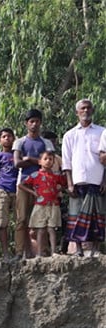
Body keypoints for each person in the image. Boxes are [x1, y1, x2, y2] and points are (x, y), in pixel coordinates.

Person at [61, 98, 106, 256]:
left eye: (88, 108)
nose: (86, 111)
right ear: (76, 112)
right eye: (83, 108)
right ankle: (78, 250)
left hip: (97, 180)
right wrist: (69, 184)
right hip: (78, 180)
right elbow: (66, 162)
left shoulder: (102, 132)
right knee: (76, 215)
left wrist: (105, 180)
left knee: (97, 216)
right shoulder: (69, 135)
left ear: (92, 111)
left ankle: (95, 250)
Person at [12, 111, 55, 259]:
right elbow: (17, 163)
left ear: (40, 123)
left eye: (37, 121)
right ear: (26, 123)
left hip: (42, 184)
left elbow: (49, 162)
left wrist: (29, 158)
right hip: (24, 184)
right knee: (22, 219)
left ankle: (42, 252)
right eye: (31, 121)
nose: (34, 124)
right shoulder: (20, 142)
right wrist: (38, 160)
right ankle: (19, 252)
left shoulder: (46, 143)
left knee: (41, 220)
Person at [18, 150, 68, 259]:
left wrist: (61, 188)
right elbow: (21, 185)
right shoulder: (36, 175)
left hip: (53, 205)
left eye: (51, 159)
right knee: (41, 230)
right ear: (40, 162)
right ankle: (39, 254)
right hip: (40, 205)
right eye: (45, 159)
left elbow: (66, 183)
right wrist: (33, 192)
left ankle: (54, 252)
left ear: (54, 162)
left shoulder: (56, 175)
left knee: (51, 229)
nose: (48, 161)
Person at [0, 128, 17, 257]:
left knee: (20, 222)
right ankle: (5, 252)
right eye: (4, 136)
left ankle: (19, 251)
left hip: (17, 190)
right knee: (2, 223)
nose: (7, 139)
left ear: (14, 138)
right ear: (0, 140)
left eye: (9, 136)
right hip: (2, 190)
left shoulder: (18, 155)